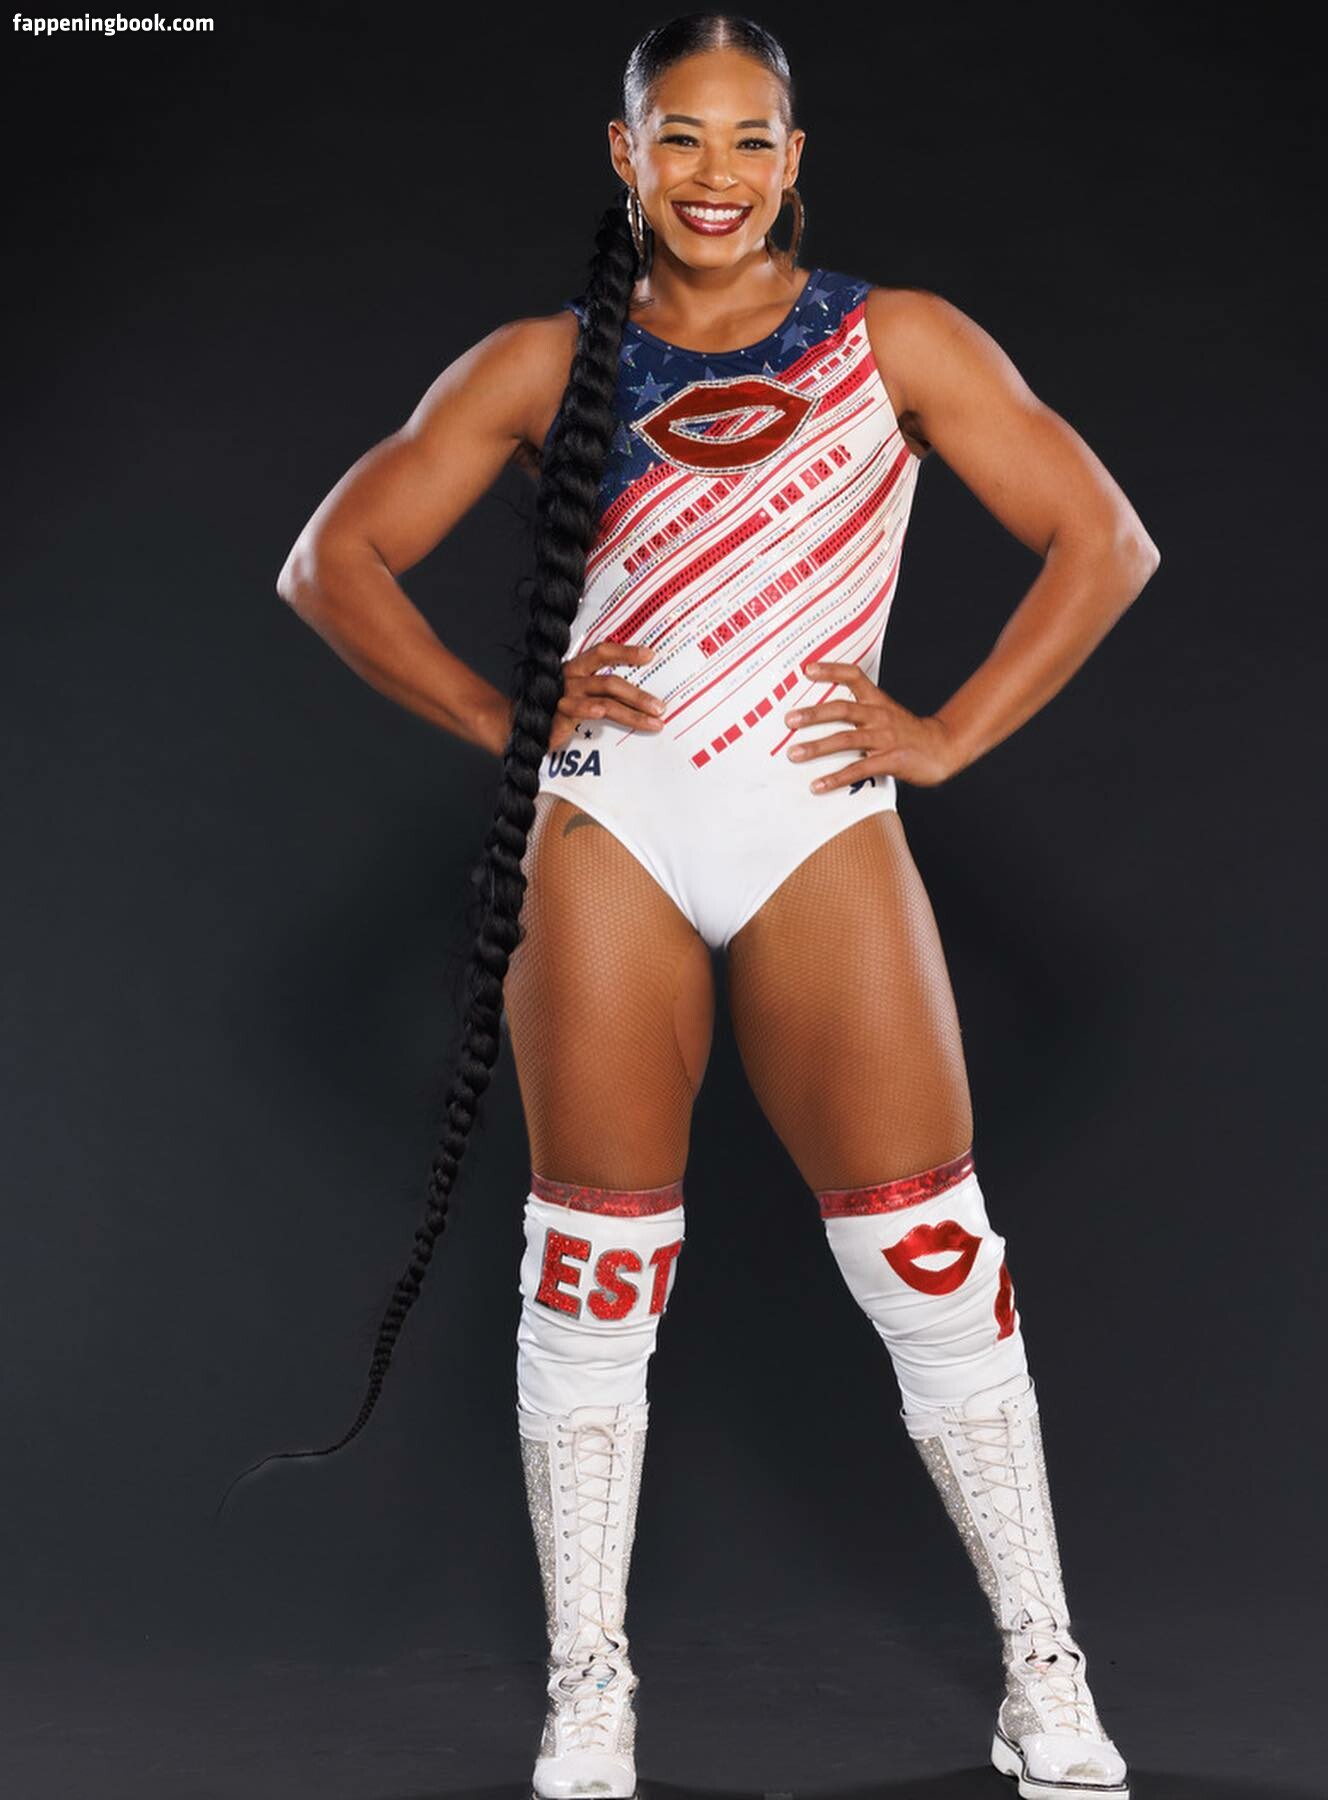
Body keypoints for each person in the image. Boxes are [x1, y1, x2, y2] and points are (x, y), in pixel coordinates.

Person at [264, 14, 1159, 1799]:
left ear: (795, 157)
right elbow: (328, 561)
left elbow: (1105, 540)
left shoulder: (898, 340)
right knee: (594, 1270)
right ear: (626, 155)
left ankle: (1043, 1673)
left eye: (752, 140)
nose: (718, 175)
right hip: (615, 827)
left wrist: (949, 734)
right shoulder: (541, 363)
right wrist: (505, 718)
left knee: (930, 1258)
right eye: (681, 137)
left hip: (817, 823)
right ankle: (588, 1689)